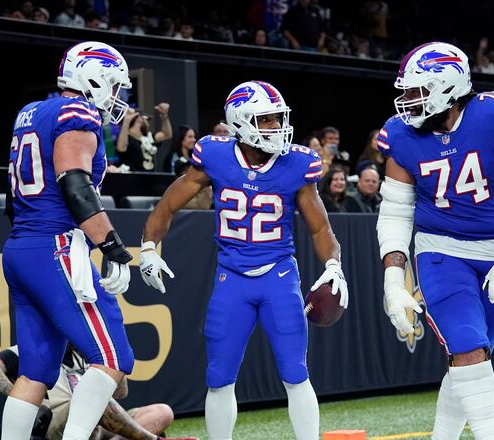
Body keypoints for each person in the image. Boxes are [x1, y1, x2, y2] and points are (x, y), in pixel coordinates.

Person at [139, 80, 348, 440]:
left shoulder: (297, 164)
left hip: (278, 277)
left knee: (295, 373)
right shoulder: (215, 156)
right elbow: (167, 205)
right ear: (241, 122)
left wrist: (333, 264)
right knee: (219, 378)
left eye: (277, 117)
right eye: (265, 119)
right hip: (231, 279)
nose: (275, 126)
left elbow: (320, 229)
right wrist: (147, 247)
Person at [376, 42, 494, 440]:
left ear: (447, 87)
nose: (408, 100)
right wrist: (393, 283)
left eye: (417, 91)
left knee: (472, 358)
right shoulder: (399, 135)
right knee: (467, 348)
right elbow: (396, 213)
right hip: (441, 250)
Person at [0, 41, 138, 440]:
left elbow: (12, 199)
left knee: (35, 372)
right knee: (113, 356)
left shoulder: (31, 112)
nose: (117, 95)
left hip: (22, 246)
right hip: (54, 247)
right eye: (114, 85)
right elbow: (74, 184)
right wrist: (110, 246)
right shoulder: (77, 112)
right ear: (92, 77)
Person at [0, 345, 197, 440]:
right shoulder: (32, 350)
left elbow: (121, 393)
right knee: (90, 400)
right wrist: (19, 396)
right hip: (58, 422)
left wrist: (107, 358)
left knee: (163, 412)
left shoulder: (87, 355)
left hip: (103, 422)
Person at [116, 104, 172, 172]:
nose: (148, 124)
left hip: (150, 177)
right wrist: (126, 121)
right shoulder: (126, 137)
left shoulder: (148, 138)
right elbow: (121, 148)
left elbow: (167, 134)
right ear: (140, 119)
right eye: (147, 120)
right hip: (133, 177)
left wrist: (164, 116)